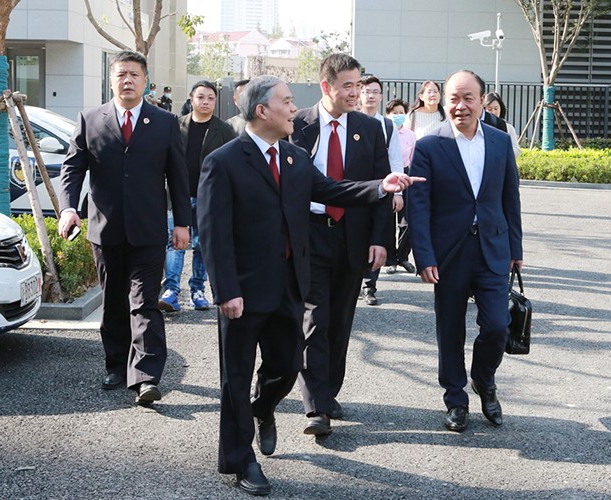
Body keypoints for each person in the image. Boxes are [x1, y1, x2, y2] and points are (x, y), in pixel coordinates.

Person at [198, 75, 421, 497]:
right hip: (243, 291)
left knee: (286, 366)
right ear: (261, 110)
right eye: (285, 102)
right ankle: (240, 460)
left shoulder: (295, 157)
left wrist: (380, 185)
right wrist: (225, 290)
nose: (292, 109)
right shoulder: (224, 161)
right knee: (235, 377)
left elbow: (332, 190)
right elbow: (213, 232)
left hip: (289, 285)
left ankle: (262, 407)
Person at [57, 50, 191, 405]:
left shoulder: (165, 122)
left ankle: (146, 377)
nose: (127, 80)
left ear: (145, 81)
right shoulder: (90, 119)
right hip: (106, 229)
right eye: (121, 74)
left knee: (145, 303)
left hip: (148, 230)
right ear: (112, 80)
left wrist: (182, 223)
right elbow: (73, 168)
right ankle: (116, 364)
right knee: (115, 301)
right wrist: (69, 209)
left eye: (134, 74)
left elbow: (178, 177)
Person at [407, 69, 523, 433]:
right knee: (450, 329)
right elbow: (418, 206)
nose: (460, 106)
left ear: (482, 101)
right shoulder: (429, 145)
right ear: (444, 101)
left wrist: (516, 248)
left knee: (497, 325)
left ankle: (483, 379)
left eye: (468, 98)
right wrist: (424, 256)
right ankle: (455, 399)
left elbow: (510, 197)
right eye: (453, 98)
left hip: (493, 248)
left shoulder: (499, 141)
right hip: (449, 253)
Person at [289, 53, 392, 436]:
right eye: (348, 85)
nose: (355, 92)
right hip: (309, 235)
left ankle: (328, 391)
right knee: (315, 318)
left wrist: (380, 240)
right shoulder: (297, 125)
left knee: (340, 321)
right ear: (326, 86)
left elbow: (381, 187)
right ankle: (316, 406)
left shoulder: (369, 128)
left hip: (352, 236)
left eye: (358, 84)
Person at [158, 80, 237, 312]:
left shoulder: (224, 130)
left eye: (210, 98)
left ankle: (198, 290)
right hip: (177, 196)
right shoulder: (175, 125)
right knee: (175, 242)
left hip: (209, 198)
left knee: (202, 245)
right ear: (191, 99)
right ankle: (171, 291)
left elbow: (232, 165)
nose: (205, 102)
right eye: (201, 97)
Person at [358, 75, 404, 306]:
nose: (371, 95)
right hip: (354, 190)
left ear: (381, 96)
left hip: (380, 188)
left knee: (376, 234)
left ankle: (369, 285)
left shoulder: (387, 125)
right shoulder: (350, 121)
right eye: (366, 91)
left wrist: (398, 193)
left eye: (375, 91)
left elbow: (396, 158)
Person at [384, 98, 417, 275]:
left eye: (401, 113)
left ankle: (403, 256)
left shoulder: (411, 136)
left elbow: (413, 159)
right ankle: (390, 260)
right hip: (386, 176)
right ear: (387, 114)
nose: (398, 116)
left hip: (405, 175)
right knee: (388, 221)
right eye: (394, 113)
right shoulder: (383, 130)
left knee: (407, 221)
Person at [484, 92, 521, 159]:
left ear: (501, 108)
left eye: (496, 108)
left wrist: (501, 154)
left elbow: (517, 150)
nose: (493, 112)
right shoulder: (479, 126)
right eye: (489, 109)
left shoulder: (508, 127)